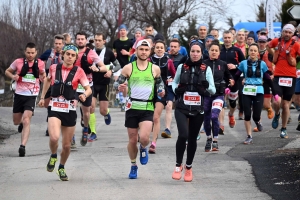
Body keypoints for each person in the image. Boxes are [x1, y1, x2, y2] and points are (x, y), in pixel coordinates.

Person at [38, 44, 92, 181]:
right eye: (68, 54)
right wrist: (43, 97)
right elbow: (47, 81)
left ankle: (61, 167)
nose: (70, 57)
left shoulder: (79, 71)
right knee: (54, 137)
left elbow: (88, 88)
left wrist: (84, 95)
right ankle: (53, 155)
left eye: (73, 55)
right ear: (63, 55)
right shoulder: (53, 68)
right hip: (54, 107)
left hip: (69, 109)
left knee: (67, 145)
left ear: (75, 58)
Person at [113, 39, 165, 179]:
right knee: (132, 140)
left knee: (144, 138)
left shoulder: (154, 69)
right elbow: (116, 84)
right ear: (136, 51)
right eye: (141, 49)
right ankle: (133, 165)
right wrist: (120, 87)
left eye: (146, 50)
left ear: (150, 52)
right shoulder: (128, 67)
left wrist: (161, 91)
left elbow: (161, 85)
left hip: (147, 107)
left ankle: (143, 148)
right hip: (132, 107)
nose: (143, 52)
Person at [171, 40, 215, 182]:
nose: (195, 54)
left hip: (198, 108)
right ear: (189, 52)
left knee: (192, 138)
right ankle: (178, 166)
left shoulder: (206, 69)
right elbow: (174, 82)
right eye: (192, 51)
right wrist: (176, 89)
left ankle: (188, 167)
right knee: (183, 135)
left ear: (202, 53)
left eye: (198, 51)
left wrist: (206, 86)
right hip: (182, 107)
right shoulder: (181, 67)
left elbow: (213, 90)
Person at [5, 42, 46, 157]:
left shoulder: (40, 64)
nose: (30, 55)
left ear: (36, 52)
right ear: (25, 52)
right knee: (16, 121)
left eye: (32, 53)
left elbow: (44, 75)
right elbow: (7, 71)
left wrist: (43, 77)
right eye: (28, 52)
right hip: (19, 94)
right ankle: (21, 123)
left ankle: (22, 146)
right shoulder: (18, 62)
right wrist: (13, 76)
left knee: (27, 119)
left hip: (32, 95)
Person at [233, 43, 276, 144]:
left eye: (254, 51)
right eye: (251, 50)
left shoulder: (262, 64)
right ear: (248, 52)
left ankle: (258, 121)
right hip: (247, 90)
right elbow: (236, 76)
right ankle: (249, 136)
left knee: (256, 115)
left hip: (258, 90)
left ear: (257, 53)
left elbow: (268, 79)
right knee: (247, 114)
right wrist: (230, 85)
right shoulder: (243, 63)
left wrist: (274, 92)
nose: (252, 52)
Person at [74, 31, 109, 147]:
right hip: (73, 86)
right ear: (75, 40)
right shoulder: (70, 52)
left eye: (82, 39)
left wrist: (97, 69)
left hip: (87, 86)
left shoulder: (91, 53)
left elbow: (104, 67)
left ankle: (85, 130)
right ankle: (71, 135)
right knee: (70, 109)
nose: (80, 41)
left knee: (87, 112)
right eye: (78, 39)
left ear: (86, 40)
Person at [267, 24, 300, 138]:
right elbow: (268, 46)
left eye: (290, 32)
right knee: (276, 101)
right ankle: (277, 114)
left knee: (286, 105)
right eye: (285, 32)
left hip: (291, 77)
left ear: (292, 34)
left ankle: (284, 128)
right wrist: (273, 54)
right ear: (282, 32)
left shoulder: (296, 44)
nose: (287, 34)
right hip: (278, 76)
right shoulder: (276, 41)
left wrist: (295, 60)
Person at [88, 32, 121, 141]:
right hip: (92, 83)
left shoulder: (109, 52)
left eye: (99, 40)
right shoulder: (90, 52)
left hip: (104, 84)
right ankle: (93, 132)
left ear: (104, 41)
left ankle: (106, 113)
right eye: (95, 40)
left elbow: (118, 65)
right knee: (91, 108)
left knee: (102, 110)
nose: (97, 42)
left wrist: (111, 71)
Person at [203, 39, 234, 151]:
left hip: (218, 95)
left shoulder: (223, 64)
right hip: (206, 95)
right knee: (206, 118)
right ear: (208, 51)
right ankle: (208, 138)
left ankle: (215, 140)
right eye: (212, 50)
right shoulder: (204, 64)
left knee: (214, 116)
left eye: (216, 50)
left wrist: (229, 86)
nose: (214, 52)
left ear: (219, 52)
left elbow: (230, 77)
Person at [149, 40, 176, 153]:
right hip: (149, 90)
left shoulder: (168, 61)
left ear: (165, 50)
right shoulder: (150, 60)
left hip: (162, 90)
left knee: (156, 117)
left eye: (161, 47)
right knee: (147, 115)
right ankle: (143, 133)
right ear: (154, 49)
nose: (159, 49)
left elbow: (174, 75)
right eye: (157, 47)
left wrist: (171, 79)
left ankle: (153, 143)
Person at [39, 34, 65, 136]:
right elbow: (39, 61)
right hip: (49, 81)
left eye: (60, 44)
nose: (57, 45)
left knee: (55, 104)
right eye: (56, 43)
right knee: (47, 104)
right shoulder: (48, 53)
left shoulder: (66, 53)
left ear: (63, 44)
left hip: (61, 83)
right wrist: (42, 72)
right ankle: (51, 121)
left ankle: (51, 126)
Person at [220, 31, 245, 130]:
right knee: (220, 100)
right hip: (222, 78)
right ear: (223, 38)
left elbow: (244, 64)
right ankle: (221, 124)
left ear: (232, 38)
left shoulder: (237, 50)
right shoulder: (219, 50)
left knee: (232, 102)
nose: (227, 39)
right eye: (225, 37)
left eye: (229, 38)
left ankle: (231, 114)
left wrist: (235, 66)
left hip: (234, 78)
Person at [252, 35, 274, 132]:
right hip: (256, 80)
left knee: (265, 104)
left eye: (263, 42)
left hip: (267, 79)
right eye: (260, 42)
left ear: (266, 43)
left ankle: (269, 108)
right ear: (257, 42)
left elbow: (276, 64)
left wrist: (273, 75)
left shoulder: (269, 53)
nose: (261, 44)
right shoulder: (254, 53)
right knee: (257, 104)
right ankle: (258, 123)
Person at [113, 24, 133, 111]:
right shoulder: (115, 42)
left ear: (127, 31)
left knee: (124, 85)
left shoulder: (130, 42)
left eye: (124, 30)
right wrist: (114, 54)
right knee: (117, 81)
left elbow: (134, 54)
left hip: (126, 65)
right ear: (119, 32)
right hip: (117, 65)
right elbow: (113, 52)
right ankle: (118, 98)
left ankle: (124, 101)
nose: (122, 32)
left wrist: (127, 53)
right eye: (121, 30)